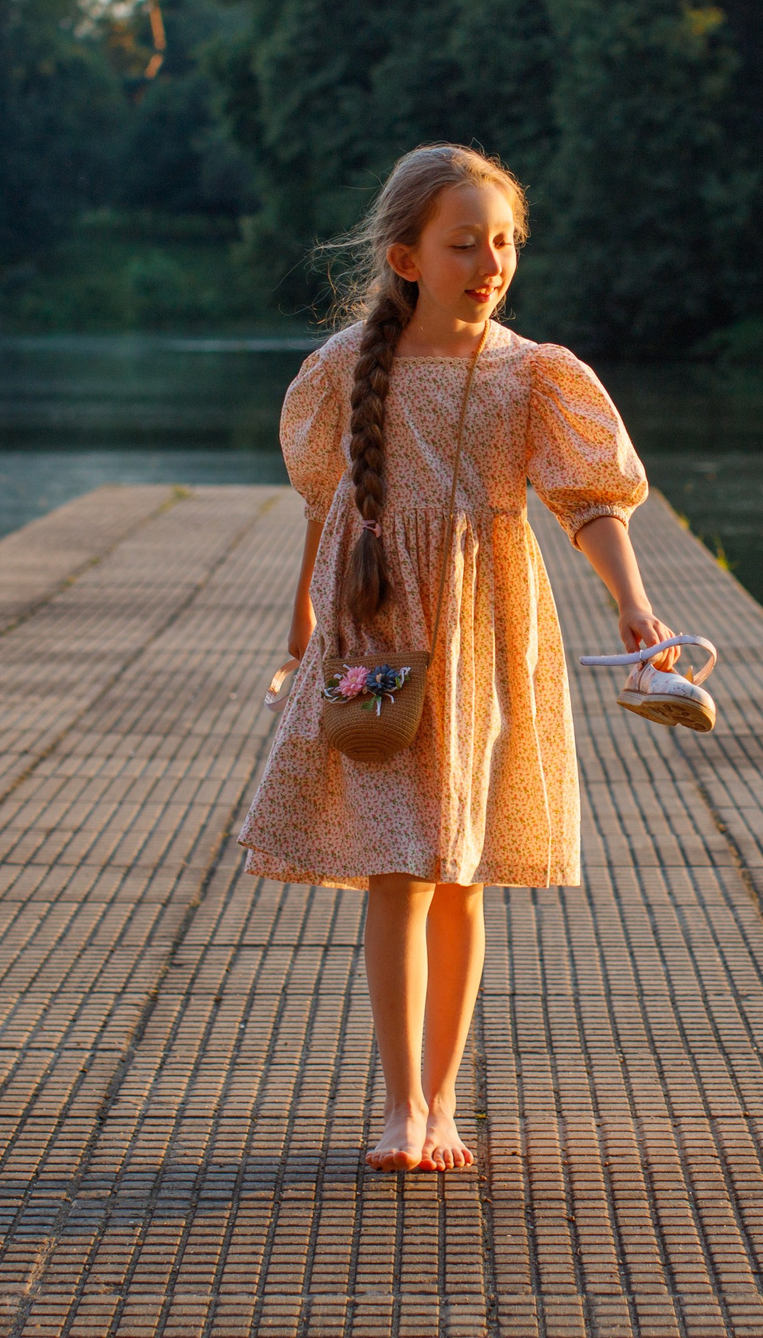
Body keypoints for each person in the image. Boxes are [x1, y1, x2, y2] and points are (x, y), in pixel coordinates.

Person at [239, 142, 687, 1173]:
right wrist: (301, 624)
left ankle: (444, 1102)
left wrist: (633, 603)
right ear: (406, 258)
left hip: (489, 637)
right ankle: (401, 1106)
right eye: (464, 245)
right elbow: (324, 502)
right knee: (398, 866)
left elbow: (589, 500)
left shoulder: (534, 372)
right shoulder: (343, 370)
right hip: (379, 634)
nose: (491, 264)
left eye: (505, 242)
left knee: (459, 870)